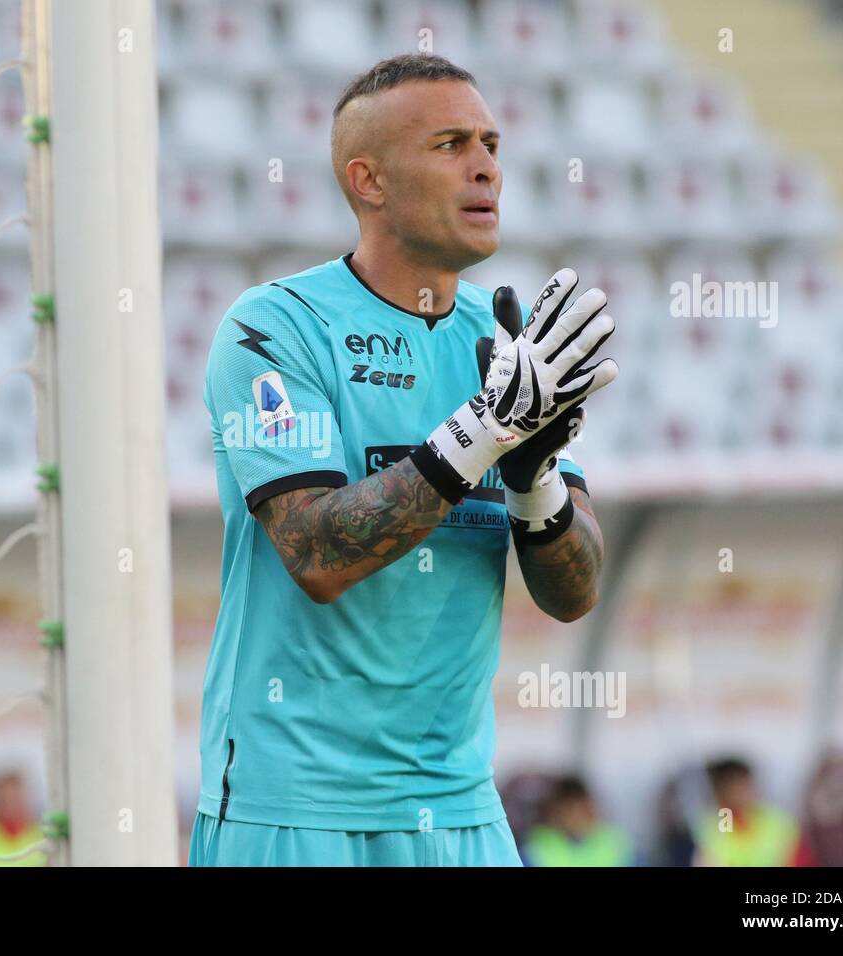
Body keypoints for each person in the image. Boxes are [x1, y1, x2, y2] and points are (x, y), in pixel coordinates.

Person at [189, 54, 619, 867]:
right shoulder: (274, 329)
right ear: (369, 181)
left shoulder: (506, 343)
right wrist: (486, 431)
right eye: (450, 144)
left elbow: (576, 591)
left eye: (490, 142)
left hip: (460, 810)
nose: (486, 165)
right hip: (296, 808)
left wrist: (532, 479)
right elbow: (316, 554)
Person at [694, 758, 801, 867]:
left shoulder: (779, 821)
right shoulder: (714, 825)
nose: (741, 792)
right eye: (733, 787)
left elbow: (799, 858)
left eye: (744, 785)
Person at [523, 776, 638, 867]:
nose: (575, 816)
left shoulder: (617, 844)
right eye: (569, 809)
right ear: (554, 812)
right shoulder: (536, 848)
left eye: (580, 808)